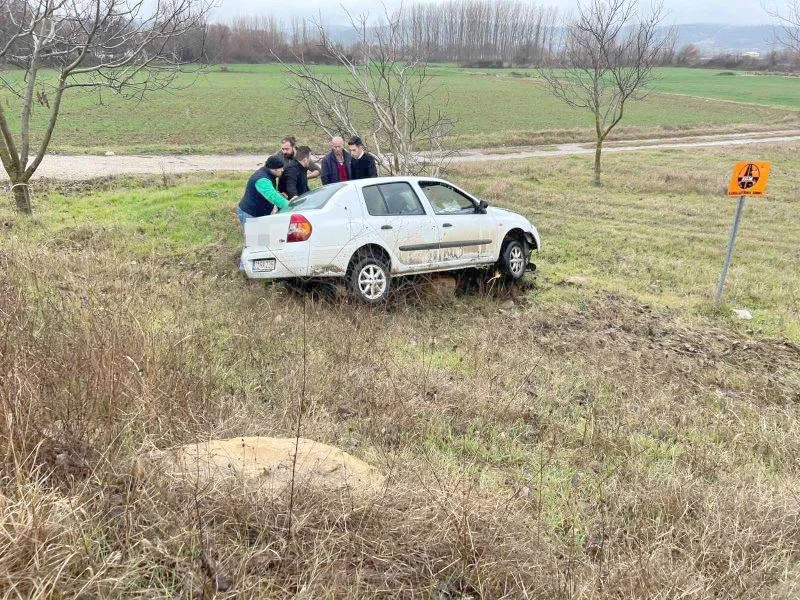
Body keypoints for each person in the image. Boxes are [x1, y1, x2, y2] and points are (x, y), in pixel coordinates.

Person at [237, 156, 288, 225]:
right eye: (280, 168)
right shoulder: (262, 180)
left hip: (257, 213)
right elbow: (273, 197)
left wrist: (278, 194)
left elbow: (268, 191)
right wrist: (291, 206)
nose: (282, 170)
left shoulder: (267, 173)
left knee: (263, 235)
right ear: (274, 169)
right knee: (255, 236)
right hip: (251, 214)